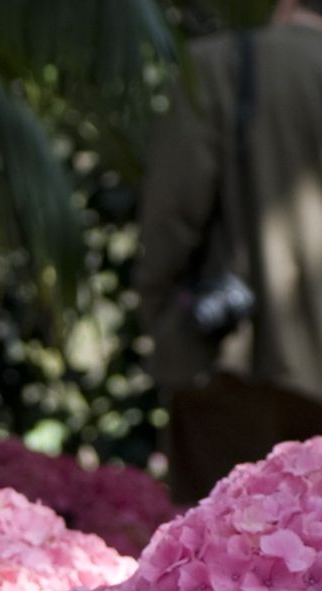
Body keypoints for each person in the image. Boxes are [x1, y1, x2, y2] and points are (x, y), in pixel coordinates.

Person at [137, 0, 322, 502]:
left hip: (243, 356)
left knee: (233, 551)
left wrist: (162, 321)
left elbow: (174, 211)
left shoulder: (226, 65)